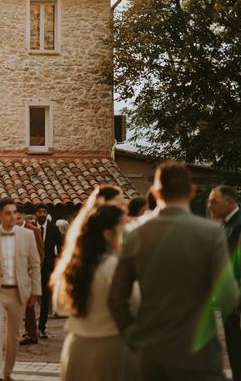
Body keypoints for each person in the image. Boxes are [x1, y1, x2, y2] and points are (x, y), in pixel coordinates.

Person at [109, 162, 240, 380]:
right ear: (192, 191)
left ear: (155, 192)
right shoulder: (210, 233)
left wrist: (132, 335)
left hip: (150, 352)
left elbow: (116, 298)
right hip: (199, 353)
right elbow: (227, 297)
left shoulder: (135, 233)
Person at [51, 201, 135, 381]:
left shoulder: (71, 267)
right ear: (108, 234)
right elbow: (135, 305)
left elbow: (60, 307)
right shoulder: (115, 266)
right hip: (110, 348)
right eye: (122, 229)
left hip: (77, 348)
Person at [0, 199, 41, 381]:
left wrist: (36, 291)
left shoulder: (27, 236)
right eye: (8, 213)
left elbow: (35, 264)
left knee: (13, 337)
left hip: (19, 292)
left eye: (14, 213)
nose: (12, 217)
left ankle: (7, 372)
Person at [208, 185, 241, 380]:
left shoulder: (238, 225)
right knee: (233, 347)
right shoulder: (227, 224)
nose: (210, 206)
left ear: (230, 202)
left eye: (214, 202)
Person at [16, 208, 45, 346]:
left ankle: (32, 334)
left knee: (28, 304)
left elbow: (40, 253)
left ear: (22, 215)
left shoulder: (33, 231)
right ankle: (28, 330)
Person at [34, 202, 62, 339]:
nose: (42, 214)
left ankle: (42, 327)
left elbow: (61, 247)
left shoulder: (54, 229)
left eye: (44, 212)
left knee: (45, 298)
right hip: (32, 268)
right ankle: (30, 328)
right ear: (36, 214)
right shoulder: (31, 229)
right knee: (29, 298)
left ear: (47, 214)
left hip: (48, 268)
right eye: (39, 212)